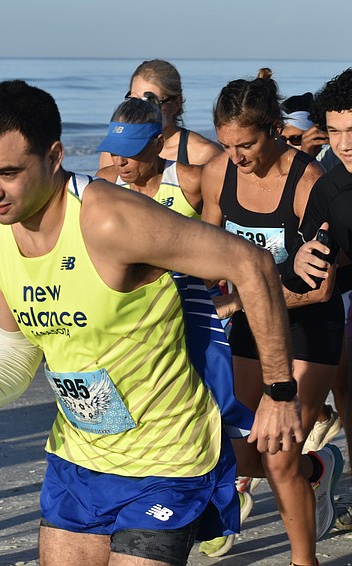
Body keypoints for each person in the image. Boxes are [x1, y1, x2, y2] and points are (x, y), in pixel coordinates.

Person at [0, 79, 313, 566]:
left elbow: (252, 265)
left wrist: (281, 394)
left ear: (53, 157)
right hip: (78, 457)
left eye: (7, 172)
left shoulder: (111, 221)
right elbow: (20, 346)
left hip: (167, 458)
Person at [199, 68, 344, 563]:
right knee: (237, 453)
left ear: (273, 131)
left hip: (308, 327)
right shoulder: (220, 172)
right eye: (226, 144)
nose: (236, 157)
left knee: (278, 459)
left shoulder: (308, 181)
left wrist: (240, 298)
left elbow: (321, 288)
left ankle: (304, 560)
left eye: (246, 145)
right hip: (249, 327)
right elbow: (206, 251)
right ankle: (318, 470)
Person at [288, 67, 352, 532]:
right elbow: (304, 264)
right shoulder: (330, 188)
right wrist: (305, 259)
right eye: (334, 131)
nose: (344, 145)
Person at [99, 59, 221, 169]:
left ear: (175, 104)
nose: (141, 109)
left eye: (151, 101)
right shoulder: (113, 152)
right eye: (135, 100)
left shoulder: (202, 154)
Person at [95, 95, 203, 218]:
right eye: (114, 149)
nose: (120, 162)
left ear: (158, 144)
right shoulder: (106, 183)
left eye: (130, 150)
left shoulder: (191, 181)